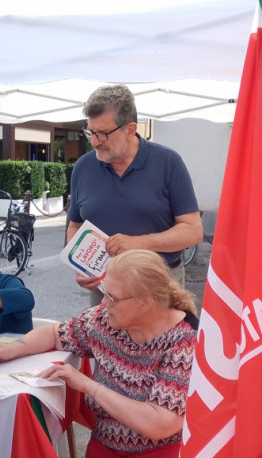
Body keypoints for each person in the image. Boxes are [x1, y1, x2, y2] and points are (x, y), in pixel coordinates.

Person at [0, 249, 198, 458]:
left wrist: (87, 385)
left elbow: (161, 423)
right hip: (107, 450)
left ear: (146, 303)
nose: (103, 303)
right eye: (104, 293)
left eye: (112, 297)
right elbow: (57, 334)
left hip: (161, 454)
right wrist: (10, 349)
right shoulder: (106, 320)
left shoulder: (183, 341)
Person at [67, 84, 203, 305]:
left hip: (158, 286)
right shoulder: (83, 167)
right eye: (91, 132)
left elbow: (193, 231)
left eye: (103, 134)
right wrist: (80, 266)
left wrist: (138, 243)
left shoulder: (168, 162)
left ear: (130, 129)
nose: (94, 142)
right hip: (105, 288)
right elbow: (75, 225)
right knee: (103, 341)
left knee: (160, 341)